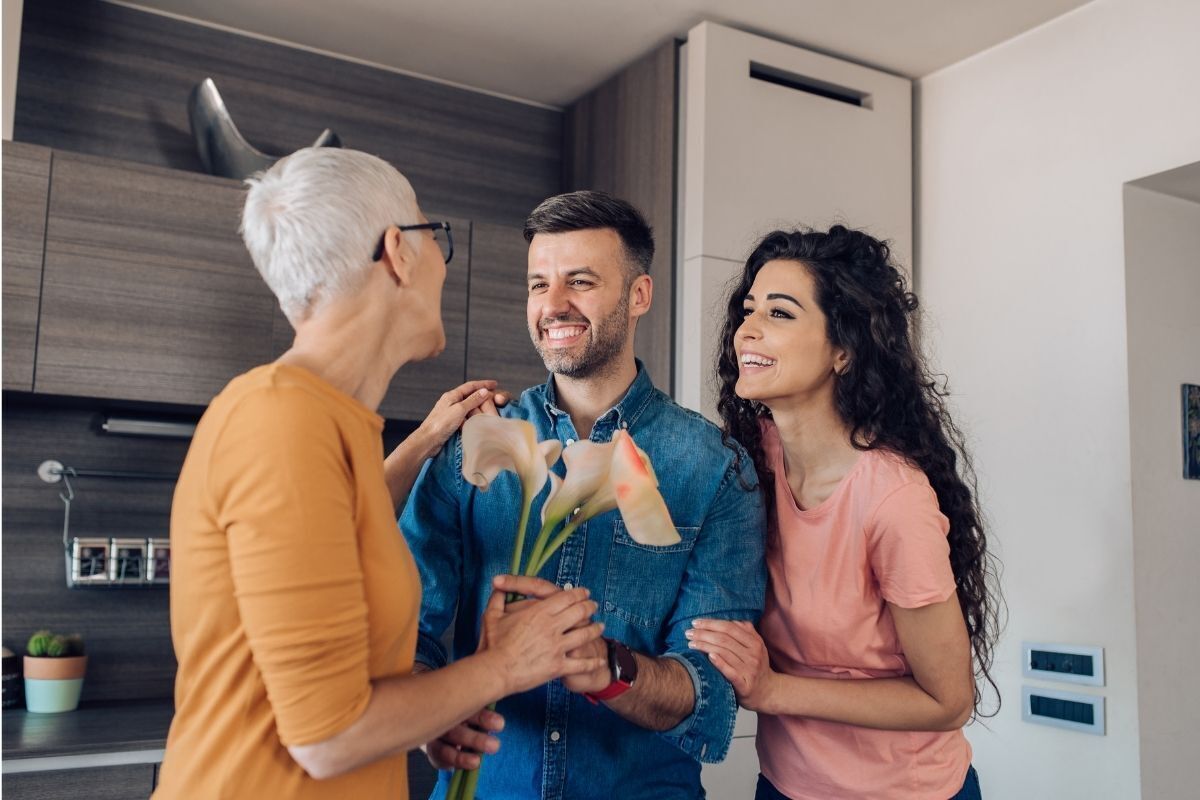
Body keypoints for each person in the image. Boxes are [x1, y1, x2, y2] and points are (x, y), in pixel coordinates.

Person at [154, 148, 606, 800]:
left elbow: (342, 532)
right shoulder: (280, 422)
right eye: (433, 236)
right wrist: (504, 665)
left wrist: (422, 443)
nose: (442, 265)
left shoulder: (330, 424)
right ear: (397, 251)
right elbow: (326, 737)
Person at [399, 190, 767, 799]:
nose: (553, 304)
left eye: (580, 281)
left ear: (639, 295)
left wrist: (609, 668)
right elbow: (405, 625)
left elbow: (710, 698)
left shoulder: (715, 470)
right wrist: (431, 716)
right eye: (538, 284)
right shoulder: (479, 442)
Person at [687, 225, 1000, 800]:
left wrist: (773, 691)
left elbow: (949, 699)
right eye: (747, 309)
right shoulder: (749, 460)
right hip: (783, 786)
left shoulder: (892, 499)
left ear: (843, 350)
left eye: (780, 314)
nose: (746, 330)